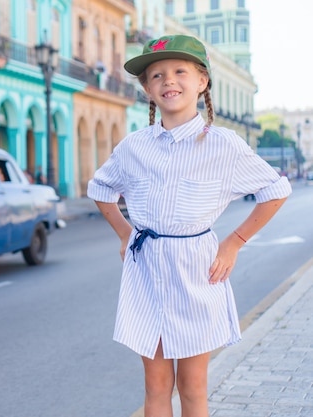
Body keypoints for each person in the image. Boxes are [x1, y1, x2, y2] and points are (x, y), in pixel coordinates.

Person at [87, 35, 292, 417]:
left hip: (197, 273)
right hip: (146, 270)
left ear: (202, 82)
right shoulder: (134, 147)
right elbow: (99, 187)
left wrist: (234, 242)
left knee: (193, 387)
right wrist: (125, 232)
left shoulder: (223, 145)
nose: (169, 81)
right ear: (147, 89)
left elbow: (276, 189)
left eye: (180, 71)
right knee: (156, 386)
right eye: (157, 75)